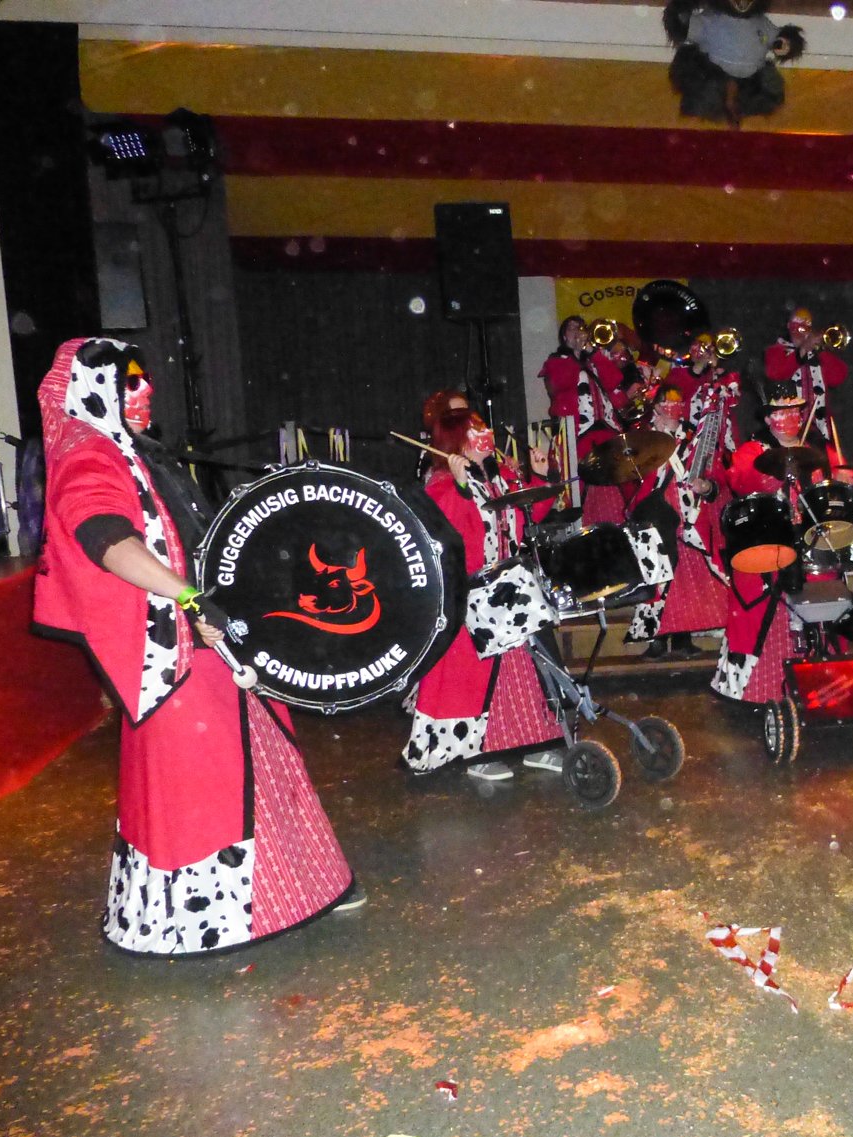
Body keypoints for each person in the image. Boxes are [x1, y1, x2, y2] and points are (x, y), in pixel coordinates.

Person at [32, 337, 357, 956]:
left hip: (205, 638)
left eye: (143, 377)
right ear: (93, 388)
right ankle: (206, 922)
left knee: (260, 758)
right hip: (167, 654)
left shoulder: (138, 451)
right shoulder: (88, 453)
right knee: (205, 785)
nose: (145, 389)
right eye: (128, 380)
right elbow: (107, 540)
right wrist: (188, 598)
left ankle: (297, 891)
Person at [402, 407, 565, 781]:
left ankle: (532, 741)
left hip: (505, 593)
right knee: (473, 682)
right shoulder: (442, 483)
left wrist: (541, 477)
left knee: (523, 676)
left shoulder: (496, 480)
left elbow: (522, 519)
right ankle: (472, 753)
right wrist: (460, 488)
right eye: (475, 431)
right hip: (471, 597)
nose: (485, 436)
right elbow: (449, 533)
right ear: (458, 441)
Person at [710, 387, 823, 705]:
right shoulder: (752, 450)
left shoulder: (812, 451)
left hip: (807, 542)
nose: (790, 418)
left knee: (820, 598)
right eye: (782, 412)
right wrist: (775, 475)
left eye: (795, 411)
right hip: (764, 540)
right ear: (769, 419)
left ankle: (816, 679)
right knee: (757, 608)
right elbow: (739, 480)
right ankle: (758, 689)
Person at [623, 387, 733, 660]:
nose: (672, 406)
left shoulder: (696, 437)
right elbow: (629, 482)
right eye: (666, 401)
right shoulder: (640, 439)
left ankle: (684, 637)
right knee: (658, 577)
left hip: (688, 517)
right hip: (655, 519)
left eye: (677, 401)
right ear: (656, 406)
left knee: (686, 583)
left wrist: (706, 486)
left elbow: (715, 476)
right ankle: (656, 638)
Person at [539, 316, 629, 525]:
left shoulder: (594, 360)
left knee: (617, 483)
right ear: (564, 336)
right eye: (572, 328)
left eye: (581, 328)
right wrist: (577, 355)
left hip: (607, 431)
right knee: (582, 488)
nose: (578, 332)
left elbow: (615, 380)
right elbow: (562, 382)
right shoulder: (556, 360)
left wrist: (593, 352)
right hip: (578, 434)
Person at [764, 308, 849, 465]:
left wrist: (821, 350)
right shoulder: (777, 350)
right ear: (789, 326)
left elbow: (839, 377)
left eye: (806, 328)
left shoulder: (819, 354)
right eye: (798, 327)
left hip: (820, 431)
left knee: (833, 469)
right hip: (789, 432)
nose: (802, 333)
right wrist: (802, 349)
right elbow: (776, 373)